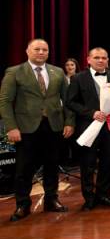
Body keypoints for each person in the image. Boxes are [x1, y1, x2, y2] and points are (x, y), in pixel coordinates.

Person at [0, 39, 74, 221]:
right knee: (24, 169)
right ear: (27, 51)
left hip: (54, 126)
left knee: (51, 165)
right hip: (25, 128)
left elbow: (68, 101)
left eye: (44, 50)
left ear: (48, 53)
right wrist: (11, 127)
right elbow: (5, 102)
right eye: (37, 49)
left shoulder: (57, 72)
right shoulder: (14, 72)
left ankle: (51, 199)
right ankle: (22, 205)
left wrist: (69, 122)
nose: (41, 52)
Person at [65, 47, 110, 210]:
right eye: (97, 57)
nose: (100, 60)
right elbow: (71, 102)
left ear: (107, 60)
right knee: (88, 163)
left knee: (107, 162)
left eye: (104, 58)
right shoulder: (78, 78)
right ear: (88, 59)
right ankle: (88, 198)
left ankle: (104, 194)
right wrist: (91, 113)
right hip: (88, 126)